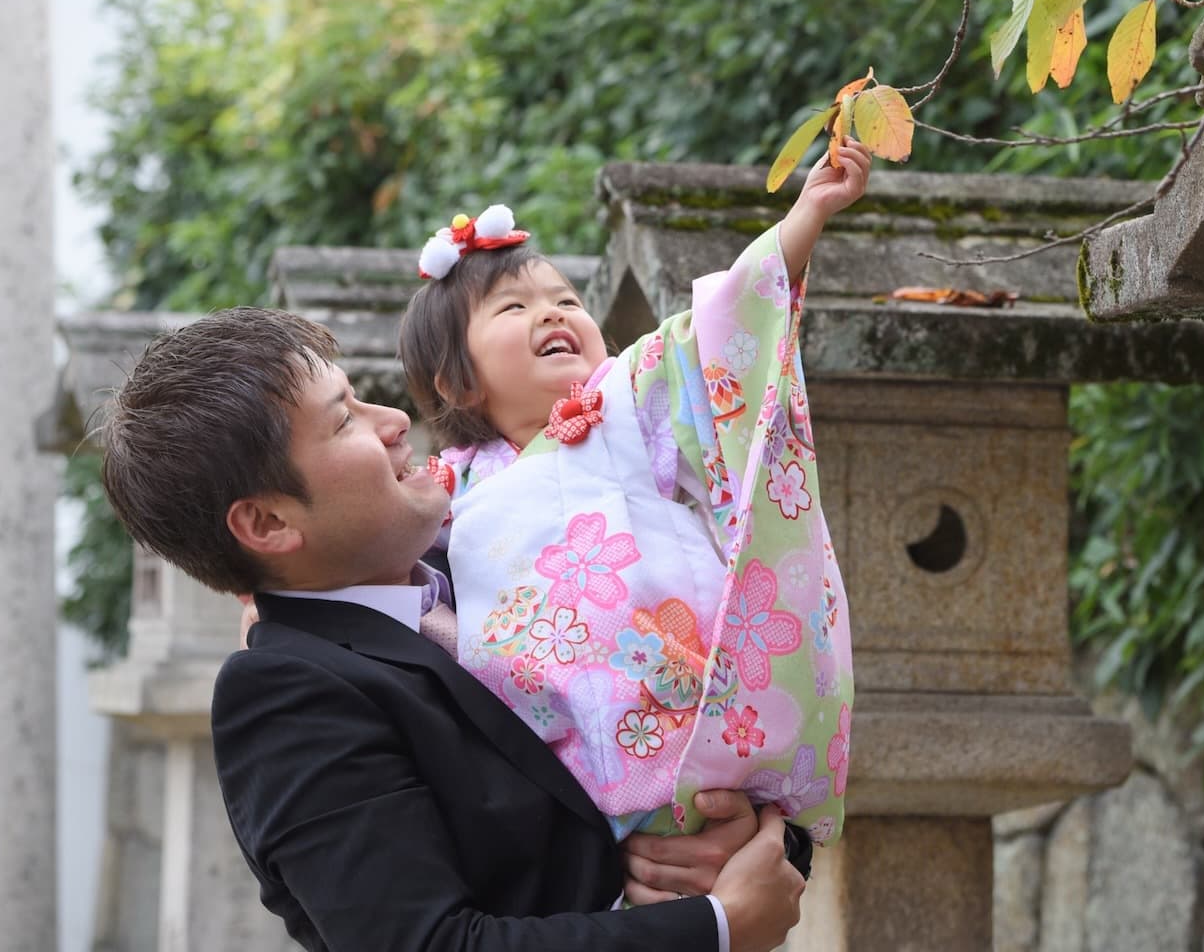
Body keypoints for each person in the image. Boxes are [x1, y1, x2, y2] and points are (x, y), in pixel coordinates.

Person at [101, 305, 807, 952]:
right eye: (343, 421)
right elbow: (428, 944)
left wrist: (745, 841)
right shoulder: (286, 693)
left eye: (359, 398)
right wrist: (714, 927)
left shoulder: (504, 567)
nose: (394, 420)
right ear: (268, 522)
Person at [398, 142, 870, 850]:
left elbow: (712, 336)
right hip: (561, 770)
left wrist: (804, 219)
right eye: (514, 306)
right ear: (458, 383)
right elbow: (393, 575)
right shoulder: (447, 487)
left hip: (685, 724)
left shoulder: (623, 402)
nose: (553, 313)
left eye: (566, 300)